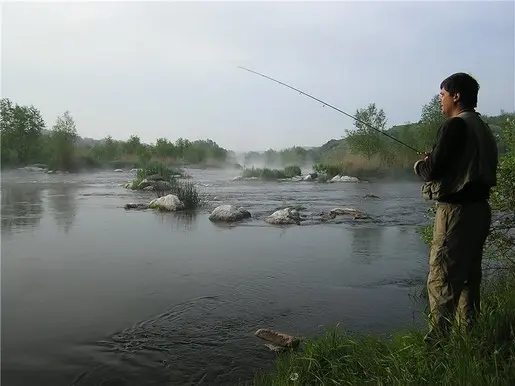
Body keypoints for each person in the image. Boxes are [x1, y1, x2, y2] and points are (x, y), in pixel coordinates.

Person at [413, 72, 498, 344]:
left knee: (443, 278)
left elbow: (432, 171)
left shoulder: (454, 126)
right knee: (469, 280)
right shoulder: (482, 127)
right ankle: (470, 340)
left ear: (456, 95)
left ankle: (437, 346)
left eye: (442, 95)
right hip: (479, 210)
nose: (440, 100)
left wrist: (421, 165)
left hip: (456, 214)